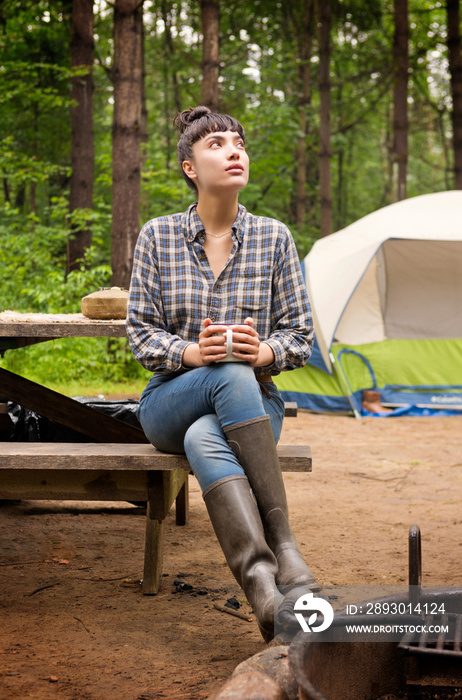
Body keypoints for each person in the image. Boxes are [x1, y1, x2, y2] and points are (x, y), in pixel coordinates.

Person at [126, 105, 319, 642]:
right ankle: (286, 551)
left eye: (239, 143)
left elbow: (300, 336)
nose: (235, 150)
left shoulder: (274, 238)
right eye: (217, 145)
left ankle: (259, 583)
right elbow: (141, 335)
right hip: (170, 398)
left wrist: (262, 354)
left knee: (206, 434)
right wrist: (194, 353)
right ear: (189, 166)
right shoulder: (158, 237)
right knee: (226, 377)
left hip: (254, 406)